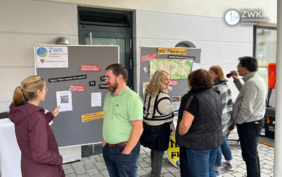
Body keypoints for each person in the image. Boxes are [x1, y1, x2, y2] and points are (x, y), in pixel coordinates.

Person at [8, 75, 64, 177]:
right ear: (38, 92)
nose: (45, 91)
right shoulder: (35, 117)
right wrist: (59, 159)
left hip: (29, 168)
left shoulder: (23, 112)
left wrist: (50, 115)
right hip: (44, 171)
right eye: (45, 89)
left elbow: (30, 128)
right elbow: (41, 154)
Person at [176, 69, 224, 177]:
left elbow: (184, 126)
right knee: (211, 171)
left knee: (200, 174)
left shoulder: (193, 98)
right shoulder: (216, 94)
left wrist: (180, 133)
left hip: (197, 145)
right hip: (213, 141)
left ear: (193, 81)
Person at [102, 63, 143, 177]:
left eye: (108, 77)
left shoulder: (132, 98)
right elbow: (108, 120)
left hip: (124, 150)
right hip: (108, 149)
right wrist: (105, 143)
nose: (106, 80)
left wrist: (126, 152)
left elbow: (138, 128)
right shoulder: (108, 96)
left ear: (119, 77)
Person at [231, 56, 266, 177]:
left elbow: (247, 108)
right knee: (252, 154)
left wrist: (238, 122)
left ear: (245, 68)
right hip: (255, 121)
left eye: (239, 66)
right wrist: (236, 81)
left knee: (249, 156)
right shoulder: (256, 79)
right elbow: (245, 93)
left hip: (248, 123)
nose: (237, 69)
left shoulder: (251, 83)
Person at [141, 69, 174, 177]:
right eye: (166, 79)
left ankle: (153, 171)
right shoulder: (163, 96)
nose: (169, 81)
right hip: (160, 128)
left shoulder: (147, 91)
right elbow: (169, 115)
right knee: (159, 154)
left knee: (153, 150)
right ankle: (156, 174)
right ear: (159, 80)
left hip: (147, 126)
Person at [209, 66, 234, 177]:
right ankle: (229, 163)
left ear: (217, 74)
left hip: (218, 119)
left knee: (217, 143)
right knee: (223, 140)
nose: (209, 74)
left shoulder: (215, 88)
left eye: (211, 72)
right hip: (226, 117)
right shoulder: (225, 84)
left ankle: (217, 169)